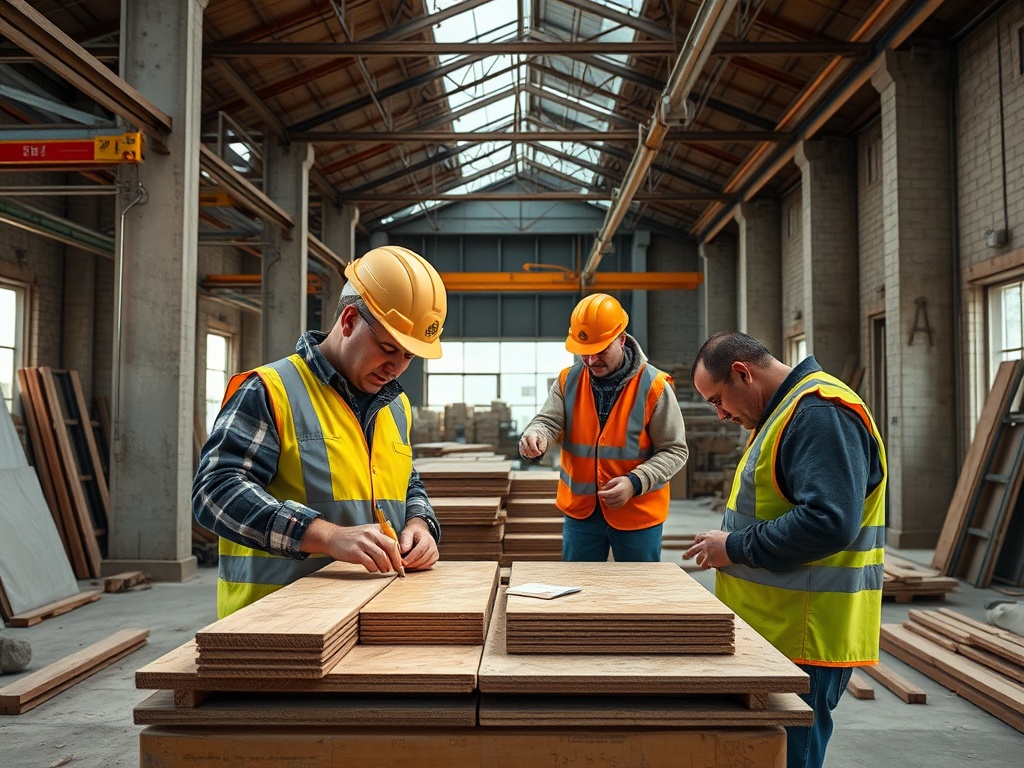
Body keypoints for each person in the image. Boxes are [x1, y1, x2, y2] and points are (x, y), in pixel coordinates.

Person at [193, 246, 447, 618]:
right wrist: (328, 537)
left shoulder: (396, 404)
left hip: (371, 612)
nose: (396, 366)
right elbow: (215, 493)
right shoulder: (269, 390)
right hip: (275, 624)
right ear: (348, 321)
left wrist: (420, 524)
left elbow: (406, 481)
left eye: (409, 356)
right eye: (388, 348)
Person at [683, 331, 886, 768]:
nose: (720, 416)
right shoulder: (785, 413)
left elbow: (830, 522)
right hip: (777, 633)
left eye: (718, 400)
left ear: (743, 374)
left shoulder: (818, 414)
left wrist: (734, 546)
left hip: (804, 639)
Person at [519, 293, 688, 562]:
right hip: (581, 515)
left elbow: (674, 450)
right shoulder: (568, 381)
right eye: (584, 352)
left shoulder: (655, 387)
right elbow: (548, 421)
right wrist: (535, 434)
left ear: (621, 339)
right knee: (579, 594)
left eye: (600, 350)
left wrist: (635, 482)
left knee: (638, 596)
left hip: (637, 513)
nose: (590, 360)